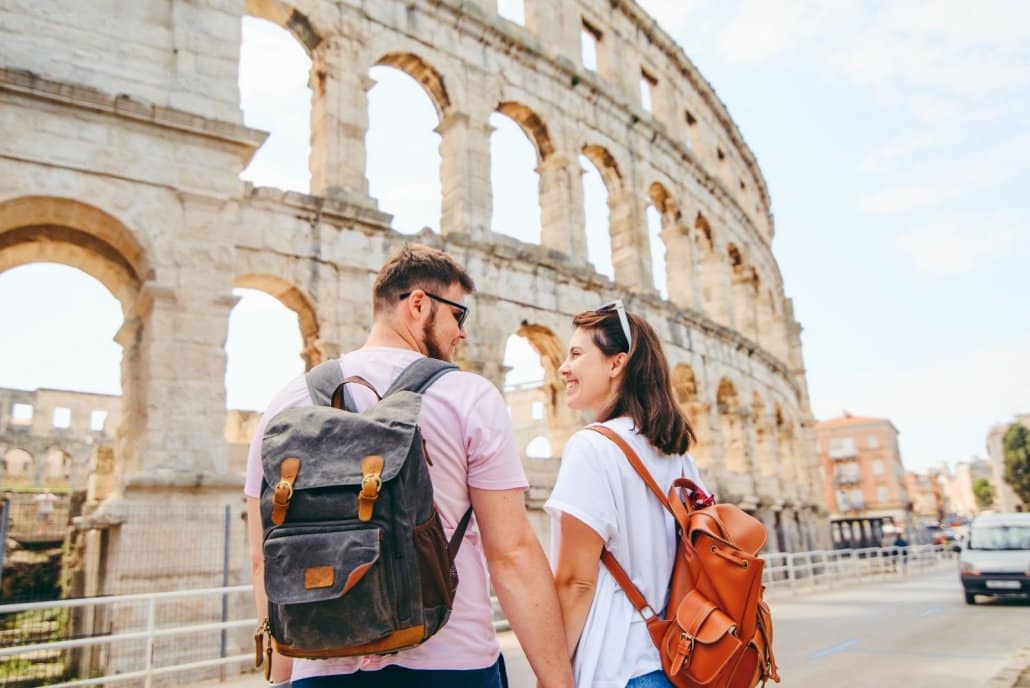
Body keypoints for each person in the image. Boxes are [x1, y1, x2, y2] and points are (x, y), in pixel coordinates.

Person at [244, 245, 574, 688]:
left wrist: (283, 678)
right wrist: (557, 680)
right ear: (418, 304)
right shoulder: (468, 396)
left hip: (319, 667)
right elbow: (511, 553)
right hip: (450, 663)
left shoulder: (286, 404)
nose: (463, 334)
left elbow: (263, 556)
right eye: (459, 316)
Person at [545, 301, 705, 688]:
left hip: (617, 665)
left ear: (616, 364)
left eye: (577, 355)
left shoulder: (592, 447)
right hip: (676, 656)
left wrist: (551, 676)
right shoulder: (678, 454)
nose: (563, 368)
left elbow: (575, 582)